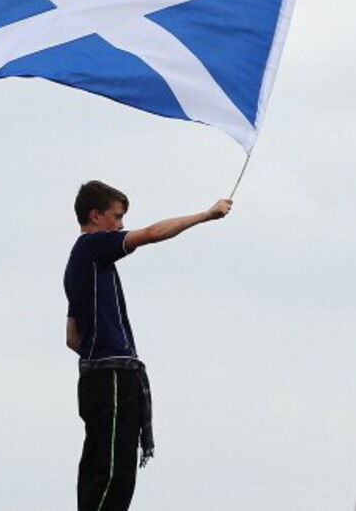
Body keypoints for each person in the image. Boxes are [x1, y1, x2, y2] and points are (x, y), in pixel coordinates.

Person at [65, 180, 232, 511]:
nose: (122, 224)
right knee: (114, 473)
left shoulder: (81, 266)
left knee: (103, 469)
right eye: (117, 216)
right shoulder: (92, 246)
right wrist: (206, 214)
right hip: (112, 375)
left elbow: (73, 338)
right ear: (95, 216)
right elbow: (153, 233)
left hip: (98, 377)